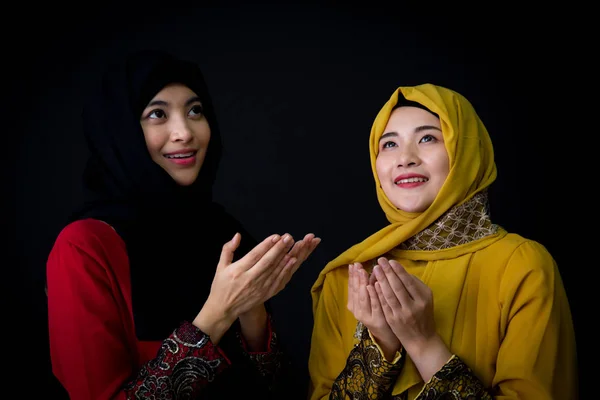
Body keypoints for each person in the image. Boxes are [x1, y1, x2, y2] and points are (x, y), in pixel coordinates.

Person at [46, 49, 320, 400]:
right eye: (157, 114)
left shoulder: (221, 230)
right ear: (121, 129)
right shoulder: (85, 247)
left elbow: (277, 389)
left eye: (195, 111)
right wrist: (219, 312)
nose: (185, 132)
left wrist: (252, 311)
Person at [307, 83, 577, 399]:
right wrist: (380, 342)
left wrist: (423, 342)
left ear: (466, 153)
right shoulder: (348, 275)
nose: (405, 159)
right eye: (389, 144)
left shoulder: (522, 265)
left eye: (427, 138)